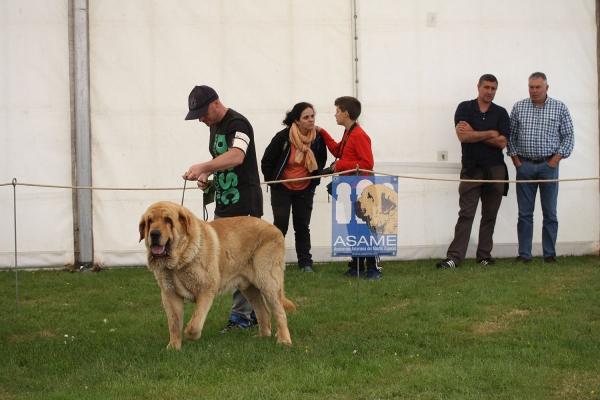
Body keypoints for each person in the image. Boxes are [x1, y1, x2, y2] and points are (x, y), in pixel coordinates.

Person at [182, 85, 263, 331]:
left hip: (245, 204)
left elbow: (237, 156)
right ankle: (256, 312)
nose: (201, 120)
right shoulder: (214, 125)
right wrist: (207, 174)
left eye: (203, 114)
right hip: (224, 204)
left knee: (241, 263)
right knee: (228, 262)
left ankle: (242, 316)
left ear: (216, 103)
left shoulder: (238, 123)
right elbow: (224, 162)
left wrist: (202, 165)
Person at [436, 74, 511, 269]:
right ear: (478, 87)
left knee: (489, 215)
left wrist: (475, 131)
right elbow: (463, 136)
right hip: (471, 169)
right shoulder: (465, 108)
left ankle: (484, 256)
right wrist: (490, 132)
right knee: (466, 214)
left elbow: (502, 142)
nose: (489, 92)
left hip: (496, 169)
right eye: (486, 87)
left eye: (493, 88)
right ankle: (454, 258)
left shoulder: (501, 113)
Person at [507, 72, 575, 264]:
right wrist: (517, 163)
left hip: (549, 166)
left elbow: (569, 136)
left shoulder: (559, 107)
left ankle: (549, 254)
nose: (534, 91)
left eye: (538, 87)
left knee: (550, 213)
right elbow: (510, 136)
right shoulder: (519, 107)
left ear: (546, 87)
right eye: (531, 87)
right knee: (525, 214)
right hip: (525, 166)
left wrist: (554, 161)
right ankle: (524, 254)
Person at [317, 96, 380, 280]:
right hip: (348, 187)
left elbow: (367, 163)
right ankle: (357, 265)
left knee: (365, 229)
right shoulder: (348, 132)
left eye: (337, 110)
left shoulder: (359, 135)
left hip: (361, 189)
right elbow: (339, 151)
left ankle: (373, 269)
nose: (335, 114)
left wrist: (340, 166)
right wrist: (322, 132)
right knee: (352, 227)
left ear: (346, 113)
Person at [261, 102, 328, 273]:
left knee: (302, 227)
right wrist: (272, 181)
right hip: (282, 188)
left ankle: (305, 264)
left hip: (305, 189)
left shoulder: (318, 139)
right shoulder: (283, 137)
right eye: (306, 117)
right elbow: (267, 161)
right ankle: (274, 263)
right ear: (296, 121)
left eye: (312, 116)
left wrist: (314, 179)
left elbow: (321, 160)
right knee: (280, 227)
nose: (311, 120)